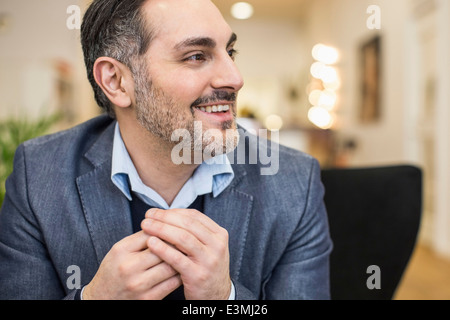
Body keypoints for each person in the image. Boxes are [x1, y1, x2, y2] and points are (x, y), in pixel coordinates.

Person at [0, 0, 332, 300]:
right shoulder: (38, 176)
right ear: (116, 81)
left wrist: (224, 298)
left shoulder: (294, 183)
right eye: (196, 56)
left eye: (229, 53)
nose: (235, 77)